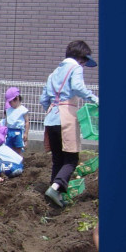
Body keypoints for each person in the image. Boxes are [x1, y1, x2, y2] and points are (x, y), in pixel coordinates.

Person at [40, 40, 99, 207]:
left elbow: (43, 99)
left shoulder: (53, 73)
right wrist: (95, 99)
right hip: (66, 116)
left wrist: (52, 110)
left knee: (58, 158)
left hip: (51, 117)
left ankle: (53, 196)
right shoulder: (76, 68)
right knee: (72, 158)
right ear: (81, 57)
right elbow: (78, 87)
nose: (85, 64)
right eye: (86, 61)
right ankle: (56, 187)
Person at [3, 87, 29, 155]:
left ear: (17, 98)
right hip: (9, 131)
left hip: (18, 131)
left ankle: (19, 161)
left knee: (18, 148)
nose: (10, 104)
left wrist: (26, 133)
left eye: (11, 102)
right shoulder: (8, 110)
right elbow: (6, 121)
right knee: (8, 148)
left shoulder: (23, 110)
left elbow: (26, 122)